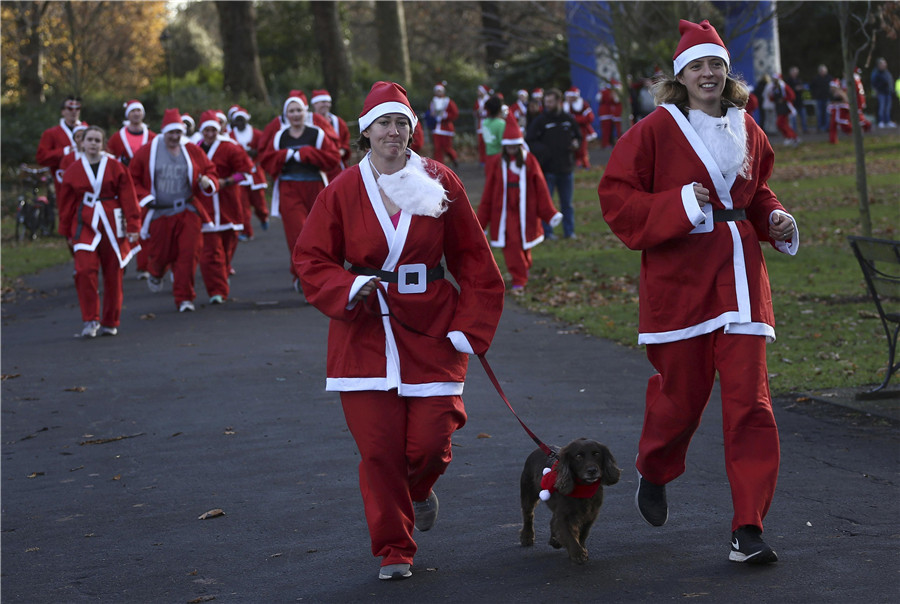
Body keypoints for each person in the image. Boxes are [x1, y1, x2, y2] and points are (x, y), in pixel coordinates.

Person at [597, 19, 799, 565]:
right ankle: (655, 467)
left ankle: (748, 528)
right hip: (680, 285)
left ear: (727, 71)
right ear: (680, 76)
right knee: (680, 400)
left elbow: (754, 193)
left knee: (751, 406)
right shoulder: (653, 131)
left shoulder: (747, 127)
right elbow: (616, 199)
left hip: (740, 282)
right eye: (697, 66)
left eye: (716, 64)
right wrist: (680, 206)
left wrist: (773, 216)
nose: (708, 74)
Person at [293, 81, 505, 582]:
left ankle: (418, 489)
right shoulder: (342, 189)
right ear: (365, 132)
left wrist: (470, 326)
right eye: (384, 123)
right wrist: (347, 287)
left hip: (432, 324)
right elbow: (310, 258)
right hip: (364, 333)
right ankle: (394, 548)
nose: (394, 131)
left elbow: (474, 259)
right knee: (379, 450)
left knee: (429, 442)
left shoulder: (440, 180)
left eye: (402, 123)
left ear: (413, 129)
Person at [130, 108, 219, 313]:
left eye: (178, 132)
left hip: (188, 210)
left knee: (188, 254)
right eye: (171, 133)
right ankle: (156, 271)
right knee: (162, 255)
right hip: (160, 212)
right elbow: (131, 178)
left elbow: (210, 170)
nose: (174, 137)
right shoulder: (149, 150)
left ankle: (185, 298)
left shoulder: (191, 150)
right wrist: (146, 197)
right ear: (163, 132)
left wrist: (208, 182)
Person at [57, 126, 141, 338]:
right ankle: (90, 319)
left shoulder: (115, 166)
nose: (93, 144)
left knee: (114, 273)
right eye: (90, 140)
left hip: (112, 225)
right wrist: (67, 231)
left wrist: (133, 226)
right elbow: (65, 202)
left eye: (97, 140)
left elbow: (129, 197)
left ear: (103, 144)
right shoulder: (73, 169)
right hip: (84, 223)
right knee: (85, 270)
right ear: (82, 143)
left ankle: (110, 320)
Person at [259, 90, 341, 294]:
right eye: (291, 111)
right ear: (286, 114)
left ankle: (321, 273)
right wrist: (285, 156)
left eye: (298, 110)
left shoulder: (317, 134)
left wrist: (307, 154)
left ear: (305, 112)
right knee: (297, 234)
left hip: (315, 187)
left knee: (319, 234)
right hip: (289, 188)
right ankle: (301, 277)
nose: (295, 114)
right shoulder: (280, 136)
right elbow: (266, 160)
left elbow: (332, 158)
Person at [477, 112, 561, 293]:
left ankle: (523, 268)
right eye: (509, 147)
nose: (512, 150)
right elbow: (489, 193)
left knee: (524, 243)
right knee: (511, 244)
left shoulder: (530, 161)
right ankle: (519, 278)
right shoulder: (498, 163)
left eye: (515, 147)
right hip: (505, 212)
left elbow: (540, 188)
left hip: (525, 209)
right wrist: (482, 221)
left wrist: (549, 213)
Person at [195, 110, 254, 304]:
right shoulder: (194, 149)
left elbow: (245, 172)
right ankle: (216, 291)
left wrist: (224, 182)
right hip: (206, 207)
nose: (210, 134)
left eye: (213, 129)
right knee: (210, 252)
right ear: (201, 131)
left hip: (228, 204)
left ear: (219, 128)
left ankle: (223, 272)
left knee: (228, 247)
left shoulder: (231, 148)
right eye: (206, 130)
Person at [525, 88, 582, 240]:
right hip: (548, 169)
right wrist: (545, 152)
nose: (547, 105)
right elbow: (530, 140)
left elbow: (578, 136)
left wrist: (576, 143)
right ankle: (547, 233)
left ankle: (569, 232)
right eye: (546, 102)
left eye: (551, 102)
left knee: (567, 204)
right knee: (546, 203)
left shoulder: (568, 119)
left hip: (566, 168)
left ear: (558, 101)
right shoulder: (540, 121)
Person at [228, 106, 270, 239]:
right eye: (237, 120)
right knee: (242, 205)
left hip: (255, 173)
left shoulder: (257, 134)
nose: (240, 123)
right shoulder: (230, 136)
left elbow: (266, 149)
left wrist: (256, 153)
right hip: (240, 175)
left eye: (242, 120)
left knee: (259, 204)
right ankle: (247, 232)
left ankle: (263, 217)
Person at [311, 89, 353, 179]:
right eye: (323, 102)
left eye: (328, 102)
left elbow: (345, 142)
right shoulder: (309, 122)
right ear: (315, 104)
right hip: (317, 165)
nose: (326, 105)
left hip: (336, 165)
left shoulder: (338, 122)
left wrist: (342, 151)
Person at [36, 96, 83, 174]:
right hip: (62, 179)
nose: (74, 111)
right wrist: (65, 151)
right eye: (70, 108)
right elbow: (41, 158)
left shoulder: (88, 130)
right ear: (62, 111)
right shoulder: (51, 133)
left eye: (77, 108)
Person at [107, 99, 156, 167]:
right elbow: (108, 156)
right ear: (127, 114)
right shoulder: (117, 137)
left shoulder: (152, 137)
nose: (136, 114)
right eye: (132, 111)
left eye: (139, 110)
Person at [428, 82, 459, 168]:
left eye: (440, 91)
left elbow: (455, 113)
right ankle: (439, 165)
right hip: (436, 128)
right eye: (437, 91)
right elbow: (430, 113)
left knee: (447, 147)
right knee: (437, 147)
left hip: (446, 128)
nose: (438, 93)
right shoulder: (433, 102)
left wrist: (446, 115)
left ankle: (454, 158)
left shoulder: (448, 101)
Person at [564, 87, 597, 168]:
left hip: (582, 130)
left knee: (582, 148)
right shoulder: (564, 106)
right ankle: (577, 162)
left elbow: (590, 117)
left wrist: (575, 119)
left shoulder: (583, 105)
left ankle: (585, 164)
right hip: (569, 130)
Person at [767, 74, 800, 146]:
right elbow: (773, 98)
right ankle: (792, 137)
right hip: (779, 108)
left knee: (781, 123)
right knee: (782, 124)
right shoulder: (774, 87)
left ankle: (791, 137)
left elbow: (792, 96)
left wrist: (783, 99)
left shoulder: (784, 86)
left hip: (785, 108)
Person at [597, 79, 623, 149]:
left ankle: (607, 143)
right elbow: (615, 101)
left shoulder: (604, 91)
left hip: (610, 114)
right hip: (608, 114)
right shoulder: (611, 91)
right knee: (610, 130)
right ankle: (606, 144)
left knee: (609, 130)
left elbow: (599, 99)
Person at [871, 58, 897, 128]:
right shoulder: (876, 73)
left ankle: (887, 121)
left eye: (885, 63)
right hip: (881, 93)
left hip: (888, 92)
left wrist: (892, 90)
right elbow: (874, 84)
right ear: (879, 65)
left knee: (888, 108)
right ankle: (881, 121)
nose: (885, 65)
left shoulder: (886, 72)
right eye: (883, 63)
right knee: (881, 108)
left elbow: (890, 81)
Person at [479, 95, 506, 162]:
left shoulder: (485, 122)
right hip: (498, 158)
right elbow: (503, 142)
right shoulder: (501, 124)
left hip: (488, 156)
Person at [784, 67, 809, 135]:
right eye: (794, 72)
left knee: (803, 116)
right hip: (793, 102)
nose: (795, 74)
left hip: (800, 101)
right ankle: (794, 130)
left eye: (796, 72)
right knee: (793, 117)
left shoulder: (799, 80)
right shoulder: (788, 81)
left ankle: (805, 129)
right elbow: (787, 91)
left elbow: (802, 88)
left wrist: (801, 88)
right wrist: (795, 88)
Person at [809, 64, 832, 133]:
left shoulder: (829, 78)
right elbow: (811, 87)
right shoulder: (815, 79)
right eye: (821, 71)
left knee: (827, 114)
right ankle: (819, 127)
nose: (822, 72)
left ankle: (827, 127)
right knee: (819, 113)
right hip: (819, 98)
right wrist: (815, 95)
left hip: (827, 98)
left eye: (823, 71)